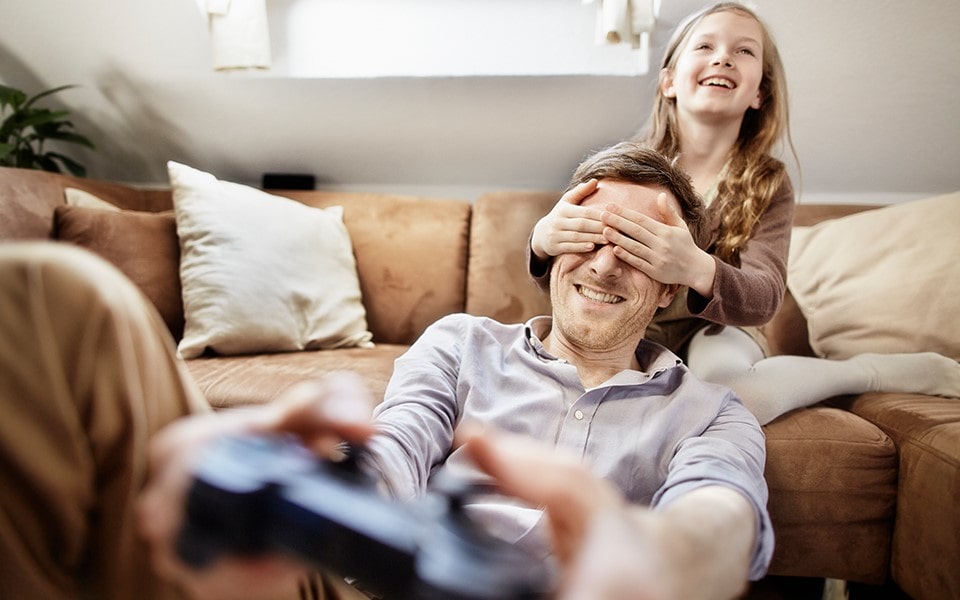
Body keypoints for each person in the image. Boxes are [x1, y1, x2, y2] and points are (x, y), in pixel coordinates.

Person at [0, 142, 771, 600]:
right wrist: (311, 500)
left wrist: (663, 561)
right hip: (354, 585)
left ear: (673, 282)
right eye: (590, 234)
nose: (606, 261)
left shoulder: (709, 411)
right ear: (551, 245)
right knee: (49, 298)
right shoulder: (462, 343)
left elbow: (720, 515)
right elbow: (397, 443)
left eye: (637, 246)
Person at [528, 2, 960, 425]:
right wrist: (542, 241)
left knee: (734, 395)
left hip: (717, 331)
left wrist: (697, 267)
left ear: (759, 93)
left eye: (744, 51)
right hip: (632, 322)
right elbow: (573, 274)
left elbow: (765, 296)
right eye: (705, 47)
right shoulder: (625, 169)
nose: (723, 58)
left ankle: (866, 371)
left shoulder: (767, 181)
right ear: (668, 82)